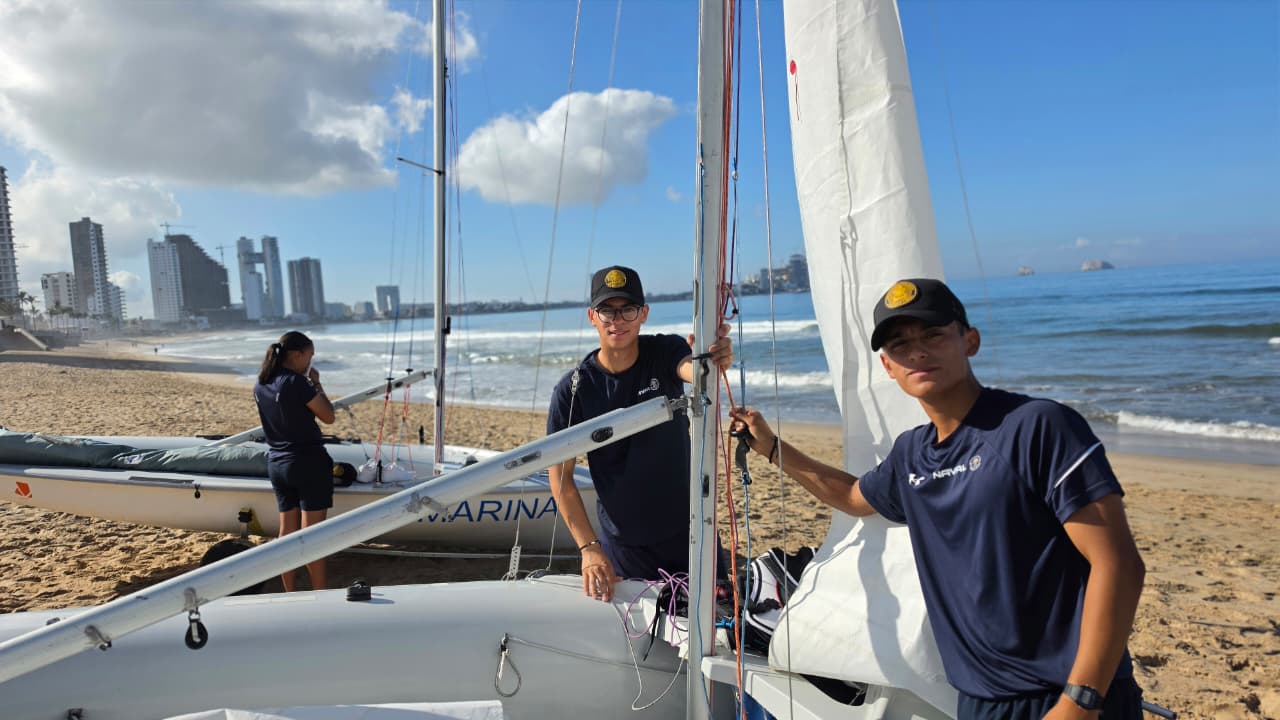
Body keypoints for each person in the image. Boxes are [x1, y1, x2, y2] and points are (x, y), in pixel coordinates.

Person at [729, 278, 1146, 720]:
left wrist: (1080, 701)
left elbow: (1118, 563)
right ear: (888, 367)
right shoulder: (912, 454)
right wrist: (773, 448)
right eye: (900, 345)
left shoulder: (1037, 427)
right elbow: (852, 496)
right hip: (980, 699)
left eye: (933, 335)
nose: (917, 353)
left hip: (1068, 693)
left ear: (970, 341)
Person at [547, 265, 732, 602]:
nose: (617, 320)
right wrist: (589, 549)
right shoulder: (573, 390)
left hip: (691, 531)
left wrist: (712, 359)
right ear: (592, 316)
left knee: (717, 621)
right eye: (607, 310)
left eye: (628, 310)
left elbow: (695, 372)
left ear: (644, 314)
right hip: (625, 547)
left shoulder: (665, 352)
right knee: (638, 633)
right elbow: (560, 477)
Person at [254, 330, 337, 591]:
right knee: (312, 538)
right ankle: (319, 595)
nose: (310, 362)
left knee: (286, 535)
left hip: (278, 463)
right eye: (310, 356)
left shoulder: (262, 384)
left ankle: (289, 593)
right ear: (298, 355)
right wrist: (317, 384)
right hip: (308, 463)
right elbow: (328, 416)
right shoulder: (297, 382)